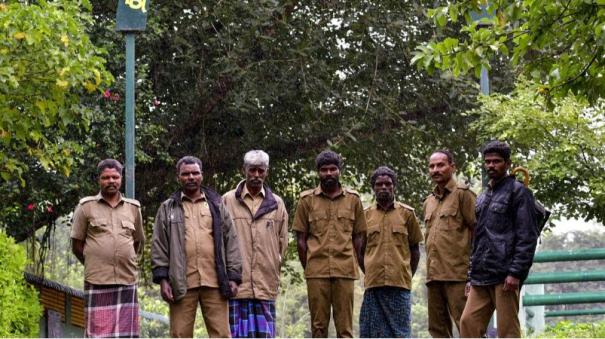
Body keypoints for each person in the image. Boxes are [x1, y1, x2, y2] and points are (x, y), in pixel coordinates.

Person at [151, 156, 242, 338]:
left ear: (202, 175)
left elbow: (230, 240)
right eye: (186, 174)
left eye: (195, 173)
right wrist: (163, 280)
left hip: (215, 281)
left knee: (222, 334)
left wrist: (233, 276)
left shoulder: (216, 205)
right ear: (178, 177)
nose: (191, 177)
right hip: (181, 283)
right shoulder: (168, 208)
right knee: (179, 334)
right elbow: (159, 244)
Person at [460, 141, 538, 338]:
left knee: (507, 331)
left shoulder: (518, 192)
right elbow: (477, 239)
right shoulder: (483, 197)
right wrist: (470, 275)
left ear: (507, 163)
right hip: (480, 275)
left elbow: (527, 237)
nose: (491, 165)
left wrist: (515, 272)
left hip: (505, 276)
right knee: (468, 323)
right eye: (488, 162)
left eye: (496, 161)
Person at [292, 150, 366, 337]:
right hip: (316, 271)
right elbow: (301, 239)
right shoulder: (306, 200)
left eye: (333, 169)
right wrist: (309, 266)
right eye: (324, 170)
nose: (329, 173)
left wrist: (353, 261)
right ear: (318, 172)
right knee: (318, 327)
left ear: (339, 171)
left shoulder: (353, 200)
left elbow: (359, 236)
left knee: (345, 328)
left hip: (345, 270)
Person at [71, 159, 145, 338]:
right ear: (99, 180)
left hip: (126, 279)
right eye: (106, 177)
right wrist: (94, 261)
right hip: (97, 280)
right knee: (98, 333)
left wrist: (124, 259)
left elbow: (137, 242)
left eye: (115, 177)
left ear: (121, 178)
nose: (111, 181)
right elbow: (76, 243)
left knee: (126, 334)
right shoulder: (86, 206)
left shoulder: (133, 208)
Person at [222, 150, 289, 338]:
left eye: (261, 170)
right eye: (252, 170)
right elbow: (219, 240)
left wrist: (272, 263)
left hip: (265, 283)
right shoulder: (227, 200)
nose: (256, 175)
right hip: (236, 284)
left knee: (265, 334)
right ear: (244, 170)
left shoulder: (276, 203)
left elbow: (282, 243)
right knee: (235, 334)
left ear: (267, 171)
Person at [360, 166, 423, 338]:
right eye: (379, 184)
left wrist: (405, 272)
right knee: (372, 332)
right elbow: (360, 251)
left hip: (399, 284)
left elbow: (415, 250)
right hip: (374, 284)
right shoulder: (365, 215)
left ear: (394, 185)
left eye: (388, 183)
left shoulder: (407, 214)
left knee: (400, 332)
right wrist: (371, 269)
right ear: (373, 187)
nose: (384, 187)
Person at [423, 150, 476, 337]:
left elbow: (478, 232)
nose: (435, 170)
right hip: (434, 276)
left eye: (441, 165)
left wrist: (474, 272)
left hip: (458, 276)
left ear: (452, 167)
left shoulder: (464, 195)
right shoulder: (428, 201)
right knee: (437, 330)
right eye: (432, 166)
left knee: (467, 326)